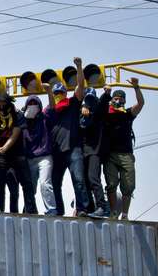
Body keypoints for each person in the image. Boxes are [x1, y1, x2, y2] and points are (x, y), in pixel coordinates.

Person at [46, 57, 89, 217]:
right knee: (55, 183)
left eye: (60, 92)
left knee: (78, 180)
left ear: (65, 93)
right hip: (56, 152)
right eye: (56, 93)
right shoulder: (50, 110)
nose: (58, 95)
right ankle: (59, 211)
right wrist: (49, 92)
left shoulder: (72, 103)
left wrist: (79, 66)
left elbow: (81, 86)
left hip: (73, 149)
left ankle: (82, 209)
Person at [0, 92, 37, 214]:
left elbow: (15, 133)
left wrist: (4, 148)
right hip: (2, 153)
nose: (1, 106)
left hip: (17, 153)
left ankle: (31, 209)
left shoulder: (17, 114)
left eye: (4, 104)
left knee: (26, 182)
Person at [103, 77, 144, 221]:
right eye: (115, 98)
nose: (117, 100)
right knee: (111, 184)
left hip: (126, 154)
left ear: (124, 101)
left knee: (129, 186)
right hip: (110, 155)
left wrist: (136, 87)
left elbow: (140, 104)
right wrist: (106, 94)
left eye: (120, 98)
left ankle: (125, 214)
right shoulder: (106, 114)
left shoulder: (127, 114)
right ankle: (114, 213)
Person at [22, 86, 57, 215]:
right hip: (29, 158)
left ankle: (51, 209)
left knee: (45, 184)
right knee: (30, 187)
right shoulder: (22, 120)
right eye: (30, 103)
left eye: (35, 103)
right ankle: (28, 209)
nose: (32, 105)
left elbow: (52, 106)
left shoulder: (44, 116)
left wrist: (49, 92)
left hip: (45, 157)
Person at [81, 86, 113, 218]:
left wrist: (106, 94)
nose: (89, 102)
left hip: (95, 150)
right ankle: (90, 208)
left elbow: (102, 105)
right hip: (83, 151)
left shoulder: (99, 113)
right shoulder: (81, 113)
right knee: (84, 181)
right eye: (87, 99)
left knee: (93, 177)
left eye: (91, 99)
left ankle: (102, 207)